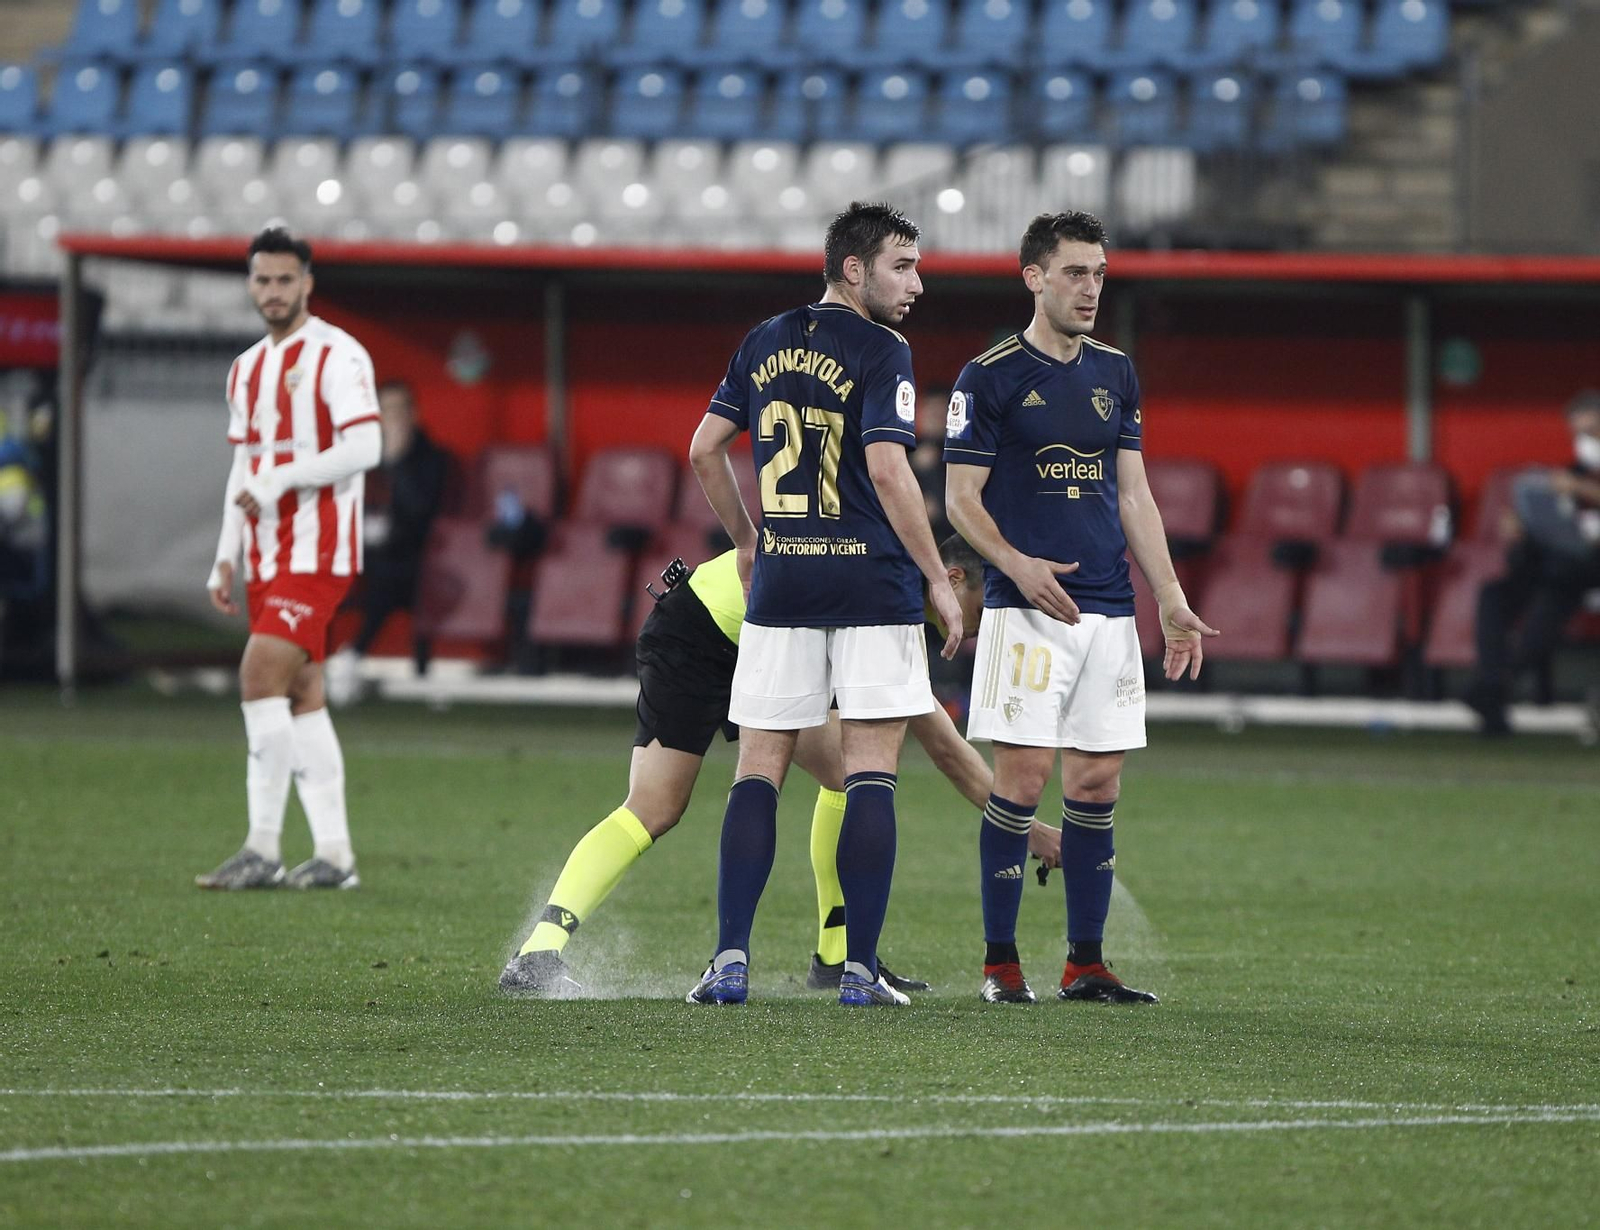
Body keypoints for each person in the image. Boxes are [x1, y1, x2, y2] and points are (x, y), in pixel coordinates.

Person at [497, 537, 1061, 998]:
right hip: (700, 629)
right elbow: (944, 747)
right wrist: (1026, 828)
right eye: (988, 610)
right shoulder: (892, 595)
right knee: (655, 807)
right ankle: (538, 951)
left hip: (763, 641)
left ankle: (835, 955)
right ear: (953, 579)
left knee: (847, 776)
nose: (986, 627)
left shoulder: (896, 592)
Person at [682, 201, 965, 1008]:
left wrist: (745, 539)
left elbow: (704, 448)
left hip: (784, 581)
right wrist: (938, 579)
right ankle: (860, 971)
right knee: (870, 771)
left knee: (758, 771)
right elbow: (886, 469)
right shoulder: (886, 350)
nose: (918, 282)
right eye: (902, 266)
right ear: (854, 269)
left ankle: (730, 959)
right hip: (871, 582)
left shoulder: (763, 338)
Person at [944, 211, 1218, 1005]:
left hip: (1107, 606)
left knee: (1096, 783)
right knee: (1023, 780)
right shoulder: (987, 375)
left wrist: (1167, 596)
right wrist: (1015, 565)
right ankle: (1000, 965)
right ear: (1033, 277)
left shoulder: (1115, 372)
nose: (1090, 287)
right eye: (1074, 272)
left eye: (1098, 272)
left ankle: (1085, 964)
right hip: (1027, 607)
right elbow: (960, 500)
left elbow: (1133, 493)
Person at [196, 227, 382, 891]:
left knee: (257, 676)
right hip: (267, 555)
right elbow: (243, 467)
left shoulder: (337, 355)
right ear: (251, 284)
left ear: (307, 282)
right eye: (261, 280)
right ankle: (335, 857)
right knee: (302, 694)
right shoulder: (246, 369)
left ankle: (262, 846)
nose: (272, 291)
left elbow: (366, 449)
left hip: (321, 551)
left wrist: (284, 479)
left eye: (284, 279)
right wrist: (225, 556)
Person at [1466, 391, 1600, 735]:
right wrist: (1524, 524)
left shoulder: (1579, 480)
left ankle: (1493, 691)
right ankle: (1494, 686)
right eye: (1579, 434)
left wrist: (1582, 490)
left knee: (1555, 593)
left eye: (1592, 432)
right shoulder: (1575, 471)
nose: (1585, 441)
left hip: (1588, 566)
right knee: (1494, 594)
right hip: (1559, 559)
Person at [324, 379, 449, 706]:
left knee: (389, 579)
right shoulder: (362, 456)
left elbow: (422, 510)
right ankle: (313, 661)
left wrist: (397, 463)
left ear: (414, 415)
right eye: (387, 411)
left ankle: (353, 654)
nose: (394, 419)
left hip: (415, 557)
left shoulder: (431, 459)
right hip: (364, 552)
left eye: (400, 410)